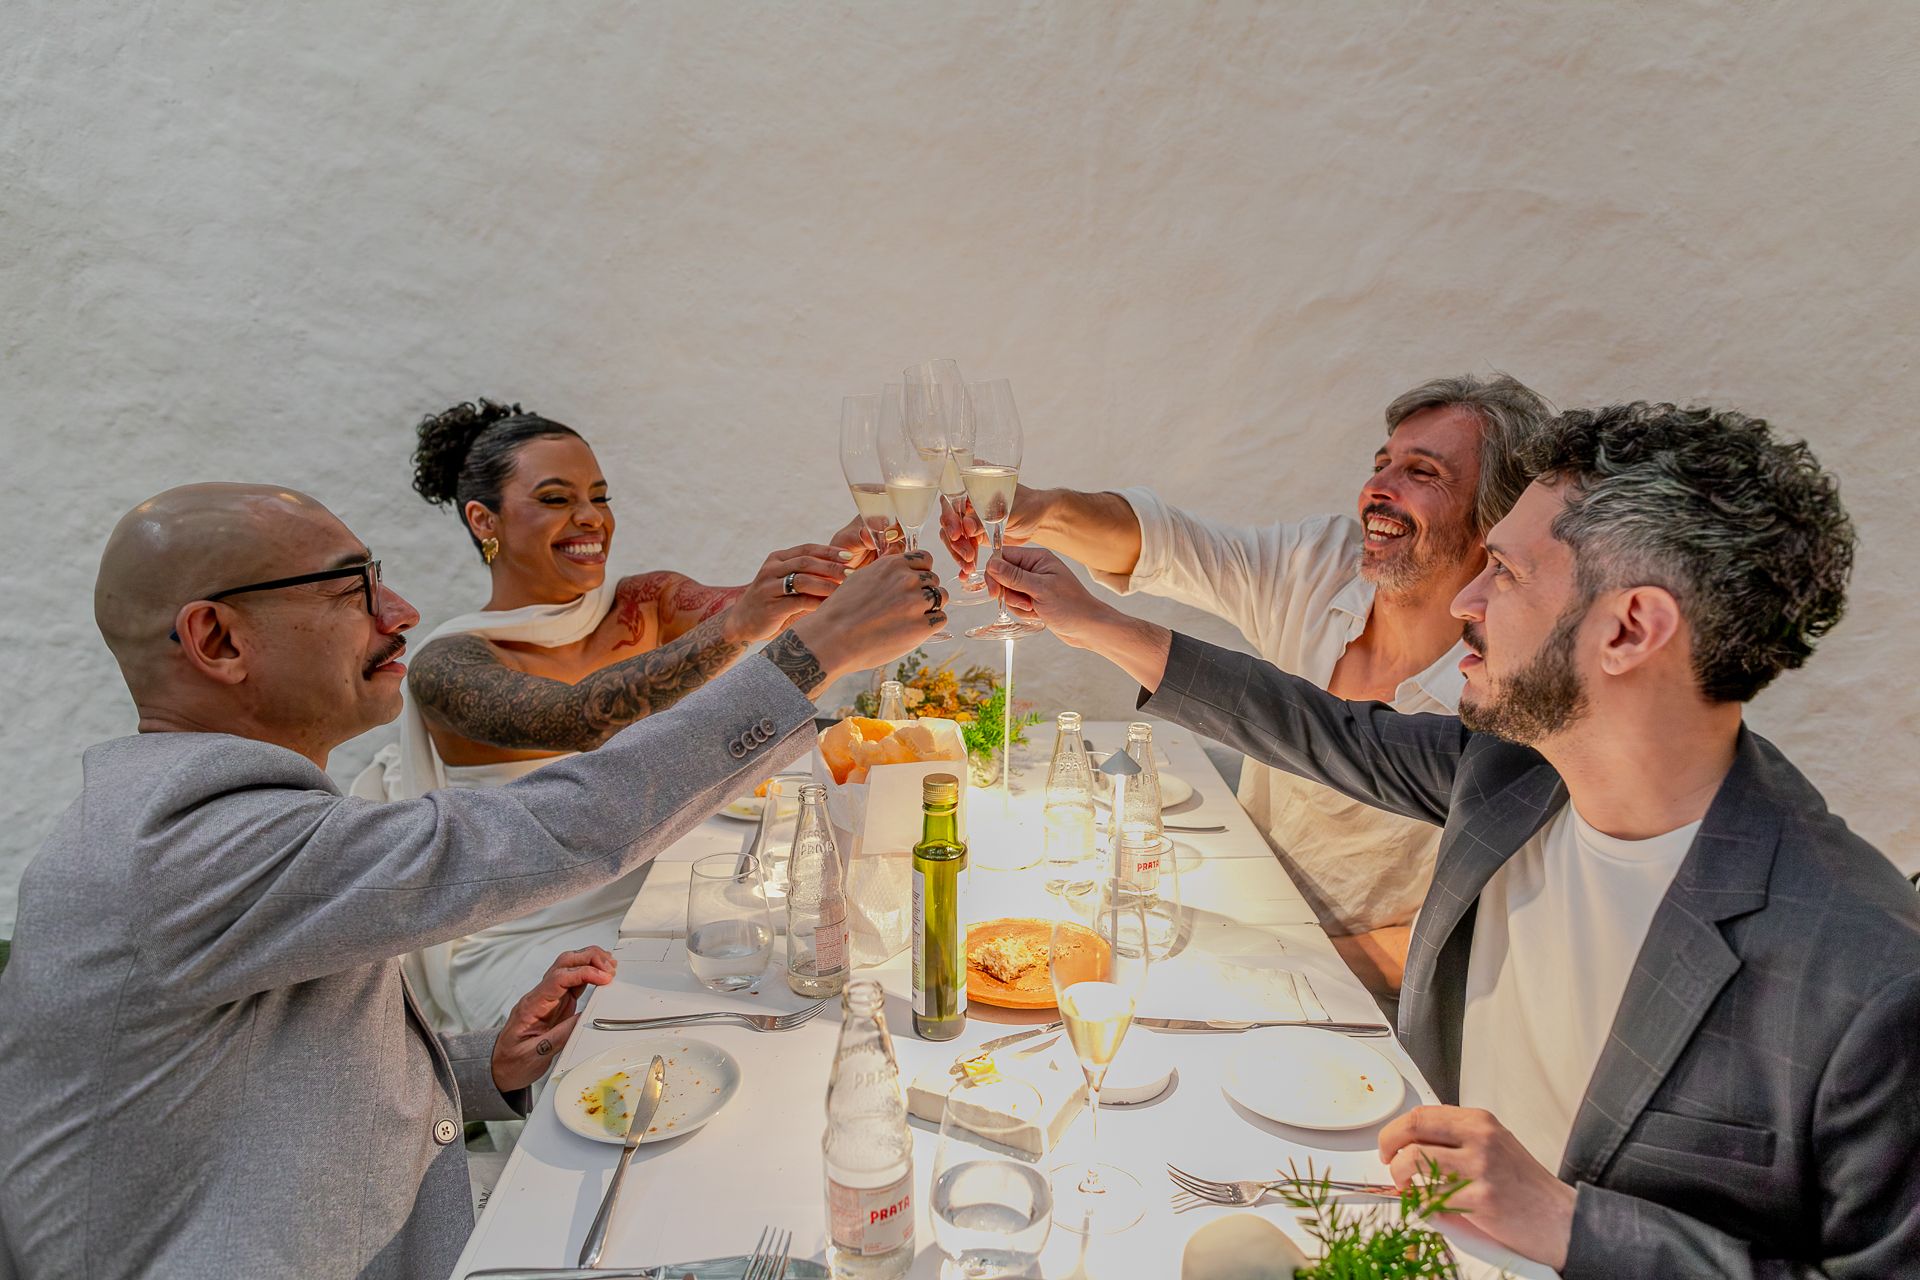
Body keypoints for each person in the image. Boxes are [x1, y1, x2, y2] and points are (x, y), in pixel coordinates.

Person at [984, 405, 1919, 1276]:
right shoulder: (1513, 772)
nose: (1466, 599)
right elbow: (1325, 730)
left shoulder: (1866, 973)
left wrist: (1567, 1221)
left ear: (1630, 628)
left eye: (1505, 573)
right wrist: (1093, 623)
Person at [0, 482, 943, 1280]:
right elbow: (559, 820)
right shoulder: (178, 844)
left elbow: (253, 1074)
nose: (398, 611)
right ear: (216, 640)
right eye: (353, 588)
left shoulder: (213, 814)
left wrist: (480, 1065)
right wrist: (812, 657)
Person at [942, 374, 1552, 1000]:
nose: (1378, 490)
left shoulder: (1505, 693)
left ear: (1498, 518)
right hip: (1245, 909)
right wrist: (1040, 512)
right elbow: (1167, 543)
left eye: (1423, 473)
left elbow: (1458, 949)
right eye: (1381, 463)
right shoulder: (1323, 562)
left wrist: (1273, 958)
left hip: (1355, 992)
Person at [352, 399, 871, 1035]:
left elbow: (753, 606)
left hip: (658, 894)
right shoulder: (449, 664)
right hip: (526, 938)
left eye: (600, 496)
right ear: (483, 519)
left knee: (811, 968)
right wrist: (745, 624)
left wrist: (834, 568)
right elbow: (579, 719)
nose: (590, 518)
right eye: (555, 498)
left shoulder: (645, 603)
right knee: (701, 1016)